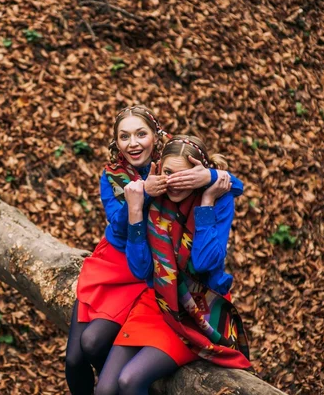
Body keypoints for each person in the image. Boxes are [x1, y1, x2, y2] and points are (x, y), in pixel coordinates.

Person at [65, 106, 244, 394]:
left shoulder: (170, 165)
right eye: (124, 136)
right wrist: (138, 200)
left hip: (169, 281)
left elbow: (228, 184)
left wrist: (210, 179)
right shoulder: (115, 177)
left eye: (140, 134)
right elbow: (122, 231)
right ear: (116, 141)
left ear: (156, 136)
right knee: (77, 357)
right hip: (127, 260)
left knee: (104, 353)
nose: (133, 143)